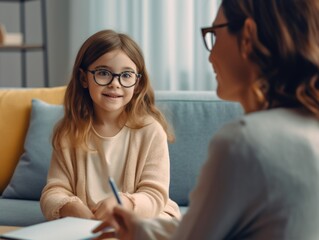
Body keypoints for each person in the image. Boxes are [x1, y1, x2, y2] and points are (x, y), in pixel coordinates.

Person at [92, 0, 319, 239]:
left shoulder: (243, 141)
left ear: (247, 37)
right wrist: (139, 228)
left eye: (214, 34)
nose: (210, 57)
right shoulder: (309, 127)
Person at [40, 30, 181, 221]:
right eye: (103, 73)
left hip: (141, 217)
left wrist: (125, 203)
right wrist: (69, 206)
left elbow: (154, 195)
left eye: (126, 75)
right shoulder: (69, 132)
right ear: (83, 78)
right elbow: (53, 191)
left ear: (137, 83)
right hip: (88, 221)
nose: (115, 83)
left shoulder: (150, 131)